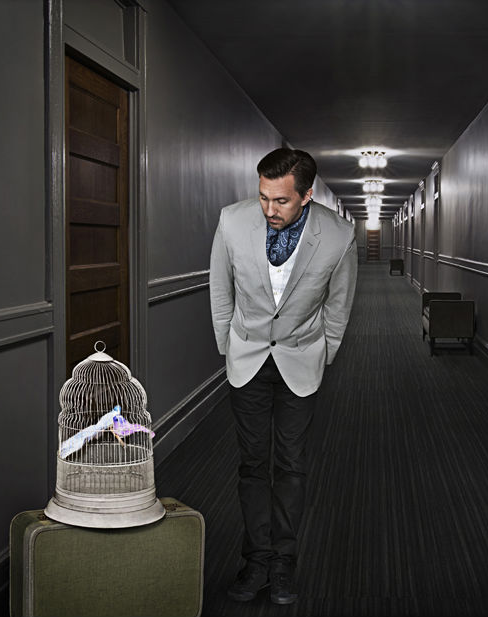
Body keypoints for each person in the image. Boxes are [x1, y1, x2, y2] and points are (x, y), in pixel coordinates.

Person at [209, 147, 358, 605]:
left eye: (281, 200)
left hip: (301, 360)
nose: (269, 209)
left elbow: (338, 305)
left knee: (291, 464)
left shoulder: (339, 236)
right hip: (247, 359)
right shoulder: (232, 221)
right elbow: (220, 290)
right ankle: (256, 559)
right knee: (253, 464)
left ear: (307, 195)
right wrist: (229, 347)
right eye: (263, 197)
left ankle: (283, 562)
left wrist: (324, 353)